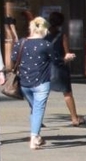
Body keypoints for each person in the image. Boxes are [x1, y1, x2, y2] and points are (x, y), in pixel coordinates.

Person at [15, 14, 62, 148]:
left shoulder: (20, 43)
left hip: (24, 82)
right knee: (38, 109)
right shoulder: (46, 45)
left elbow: (13, 57)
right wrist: (67, 58)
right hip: (42, 81)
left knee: (34, 108)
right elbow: (56, 60)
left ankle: (36, 135)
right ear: (45, 30)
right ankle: (34, 137)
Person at [43, 7, 85, 128]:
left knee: (43, 94)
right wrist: (68, 58)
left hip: (46, 67)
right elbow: (66, 53)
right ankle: (74, 118)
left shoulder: (44, 36)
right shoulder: (62, 36)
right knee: (67, 93)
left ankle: (38, 119)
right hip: (59, 67)